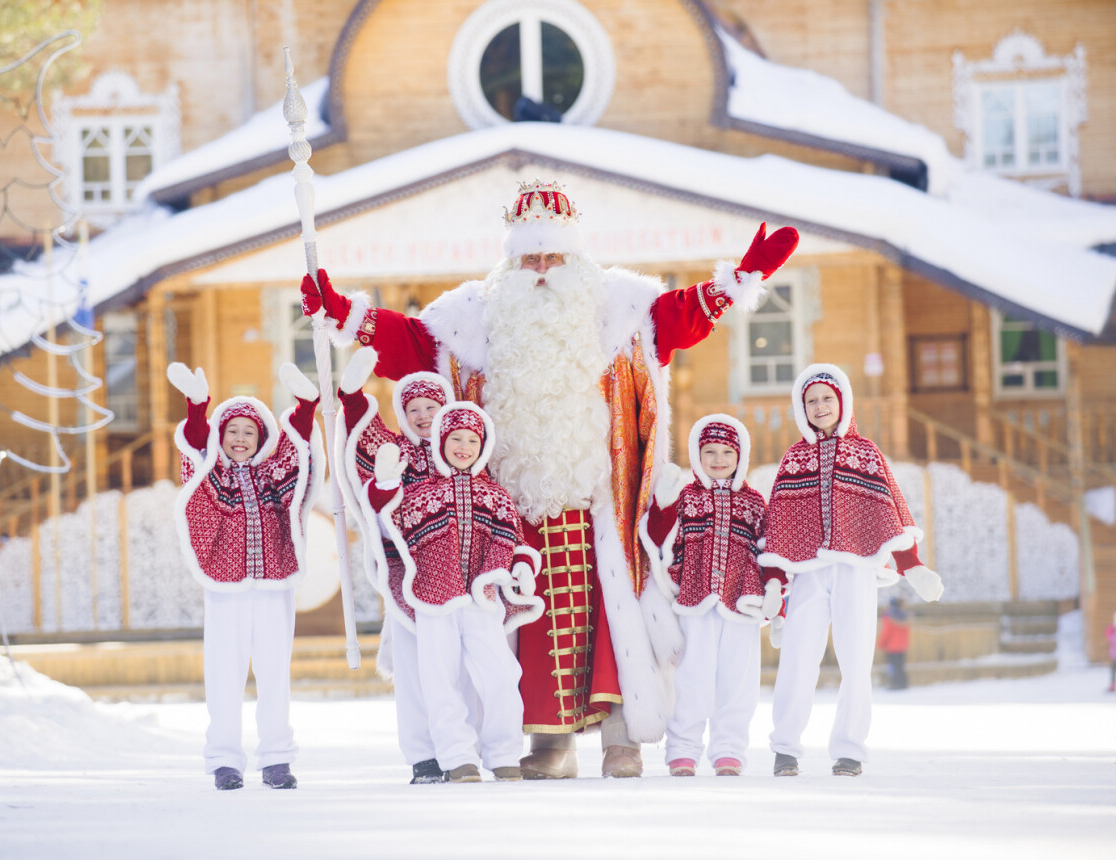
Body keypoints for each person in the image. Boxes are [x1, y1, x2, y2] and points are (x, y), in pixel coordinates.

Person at [302, 179, 799, 778]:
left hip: (602, 499)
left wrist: (740, 277)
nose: (540, 270)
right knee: (529, 627)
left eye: (552, 256)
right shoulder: (470, 318)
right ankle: (547, 744)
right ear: (511, 260)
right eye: (529, 258)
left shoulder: (620, 310)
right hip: (509, 502)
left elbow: (682, 315)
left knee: (615, 621)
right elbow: (407, 342)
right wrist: (341, 314)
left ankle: (622, 738)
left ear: (574, 256)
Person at [759, 363, 944, 778]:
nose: (820, 406)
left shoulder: (866, 453)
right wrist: (777, 587)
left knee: (856, 659)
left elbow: (890, 512)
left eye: (827, 398)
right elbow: (779, 529)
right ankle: (785, 747)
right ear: (800, 408)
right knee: (797, 659)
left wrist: (911, 565)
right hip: (809, 573)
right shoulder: (793, 459)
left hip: (856, 569)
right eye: (811, 401)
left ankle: (850, 750)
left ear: (842, 401)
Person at [366, 402, 545, 782]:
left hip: (483, 600)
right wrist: (384, 487)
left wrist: (523, 569)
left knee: (499, 673)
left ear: (483, 446)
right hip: (434, 598)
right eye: (455, 439)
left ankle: (503, 753)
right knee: (439, 677)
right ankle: (457, 756)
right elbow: (389, 525)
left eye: (472, 440)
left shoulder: (495, 496)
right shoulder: (420, 494)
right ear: (441, 442)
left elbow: (514, 542)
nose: (463, 446)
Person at [168, 360, 322, 791]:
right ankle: (224, 759)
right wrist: (198, 410)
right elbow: (194, 451)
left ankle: (276, 757)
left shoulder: (275, 472)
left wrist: (306, 407)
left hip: (274, 584)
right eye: (232, 431)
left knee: (274, 671)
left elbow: (301, 456)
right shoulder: (210, 472)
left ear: (262, 437)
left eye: (248, 432)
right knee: (224, 672)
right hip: (226, 586)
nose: (239, 439)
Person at [334, 346, 472, 784]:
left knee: (462, 667)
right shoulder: (394, 449)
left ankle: (465, 748)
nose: (423, 415)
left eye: (432, 406)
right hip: (409, 573)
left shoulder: (466, 448)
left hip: (463, 574)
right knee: (413, 668)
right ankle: (423, 755)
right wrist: (353, 398)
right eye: (413, 409)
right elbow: (363, 441)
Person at [640, 414, 784, 777]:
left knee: (738, 681)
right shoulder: (686, 499)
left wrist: (773, 586)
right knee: (692, 678)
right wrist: (663, 501)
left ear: (741, 456)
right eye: (709, 452)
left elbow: (768, 548)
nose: (718, 459)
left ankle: (729, 750)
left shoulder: (753, 502)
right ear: (697, 454)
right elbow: (659, 539)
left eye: (726, 452)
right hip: (696, 598)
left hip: (743, 601)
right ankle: (683, 750)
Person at [877, 597, 911, 690]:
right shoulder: (904, 616)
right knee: (900, 666)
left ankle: (895, 684)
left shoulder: (888, 617)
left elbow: (886, 632)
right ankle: (903, 684)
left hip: (892, 646)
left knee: (893, 666)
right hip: (902, 646)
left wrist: (881, 644)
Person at [1106, 611, 1116, 693]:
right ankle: (1112, 685)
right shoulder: (1112, 630)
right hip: (1114, 656)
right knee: (1113, 671)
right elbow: (1108, 636)